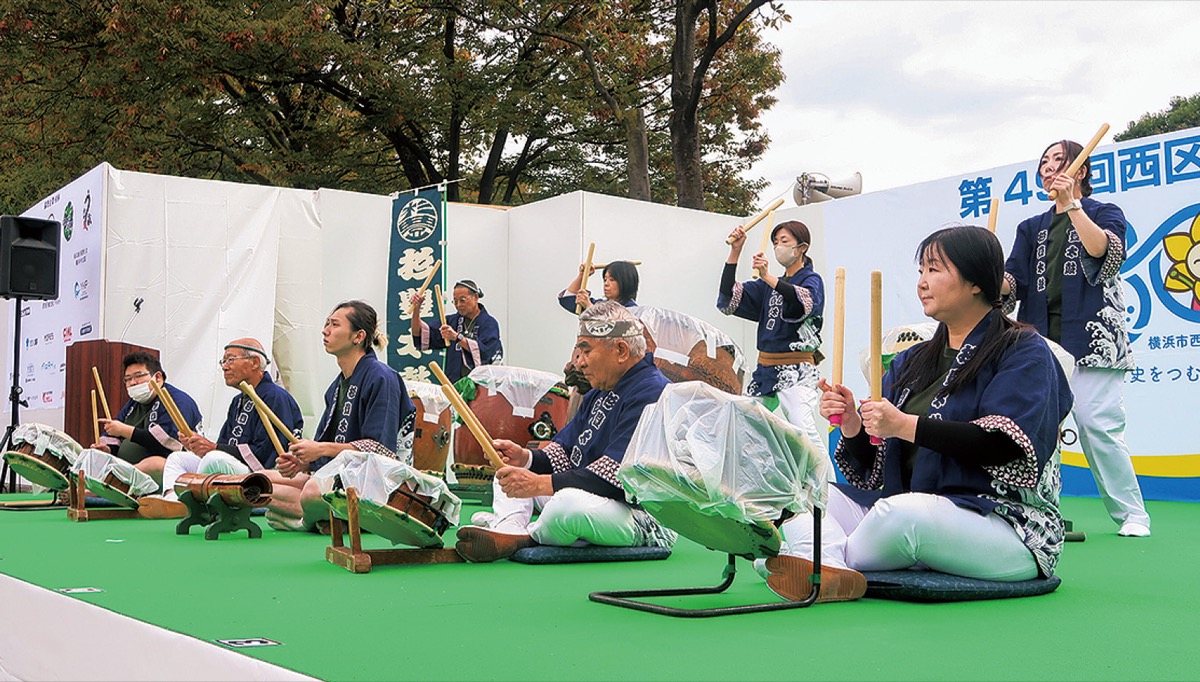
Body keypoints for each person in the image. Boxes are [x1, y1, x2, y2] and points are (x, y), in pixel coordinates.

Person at [764, 226, 1072, 603]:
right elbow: (874, 467)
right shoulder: (913, 361)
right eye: (921, 272)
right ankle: (826, 566)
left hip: (1005, 526)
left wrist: (904, 424)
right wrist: (853, 424)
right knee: (806, 497)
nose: (922, 283)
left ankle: (814, 559)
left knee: (901, 516)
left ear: (976, 281)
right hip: (910, 510)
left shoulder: (1023, 350)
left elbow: (1002, 445)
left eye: (935, 270)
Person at [1001, 138, 1151, 538]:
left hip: (1095, 339)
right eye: (1043, 163)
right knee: (1034, 428)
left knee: (1096, 424)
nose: (1048, 169)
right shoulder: (1030, 227)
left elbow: (1105, 253)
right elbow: (1012, 282)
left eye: (1058, 161)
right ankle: (1037, 514)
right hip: (1040, 343)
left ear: (1081, 170)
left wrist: (1073, 205)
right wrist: (992, 282)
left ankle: (1132, 514)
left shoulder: (1105, 212)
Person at [454, 301, 677, 562]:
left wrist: (540, 484)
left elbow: (618, 479)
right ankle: (509, 529)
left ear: (620, 350)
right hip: (595, 500)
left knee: (566, 506)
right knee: (508, 474)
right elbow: (565, 454)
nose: (579, 363)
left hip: (641, 516)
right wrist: (525, 459)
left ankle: (524, 535)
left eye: (586, 352)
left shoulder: (651, 391)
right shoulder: (599, 392)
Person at [265, 300, 415, 531]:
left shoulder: (381, 377)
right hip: (339, 478)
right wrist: (302, 462)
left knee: (312, 492)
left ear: (358, 336)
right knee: (260, 483)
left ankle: (309, 521)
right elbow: (324, 450)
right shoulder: (337, 386)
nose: (325, 330)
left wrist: (320, 449)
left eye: (334, 325)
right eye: (327, 324)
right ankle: (328, 519)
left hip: (378, 484)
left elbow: (381, 451)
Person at [137, 338, 304, 517]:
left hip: (260, 474)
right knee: (178, 458)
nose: (224, 367)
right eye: (223, 361)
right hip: (233, 467)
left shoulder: (275, 397)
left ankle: (192, 506)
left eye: (230, 360)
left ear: (254, 362)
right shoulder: (238, 400)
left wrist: (213, 449)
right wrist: (199, 448)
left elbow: (268, 453)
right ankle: (171, 499)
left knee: (214, 458)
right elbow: (223, 446)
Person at [719, 220, 829, 471]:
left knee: (803, 428)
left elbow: (803, 304)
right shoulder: (766, 286)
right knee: (742, 420)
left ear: (802, 247)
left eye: (785, 241)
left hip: (797, 370)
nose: (778, 247)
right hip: (766, 371)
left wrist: (767, 276)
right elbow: (729, 297)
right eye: (776, 242)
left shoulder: (812, 280)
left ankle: (829, 489)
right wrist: (735, 251)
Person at [91, 351, 202, 487]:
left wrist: (125, 430)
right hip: (130, 469)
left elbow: (168, 444)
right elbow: (113, 434)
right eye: (127, 379)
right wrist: (107, 449)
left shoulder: (178, 400)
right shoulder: (133, 404)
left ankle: (102, 489)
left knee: (153, 464)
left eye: (138, 376)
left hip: (170, 471)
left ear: (158, 377)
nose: (132, 383)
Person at [410, 279, 502, 382]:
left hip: (482, 386)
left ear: (475, 297)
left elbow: (486, 353)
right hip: (455, 386)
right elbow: (419, 334)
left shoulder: (489, 323)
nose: (458, 305)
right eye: (455, 301)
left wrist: (457, 337)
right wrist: (416, 309)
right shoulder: (452, 321)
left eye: (462, 300)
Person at [558, 259, 639, 313]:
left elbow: (610, 325)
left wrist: (589, 307)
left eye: (612, 280)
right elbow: (568, 298)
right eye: (605, 279)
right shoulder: (600, 305)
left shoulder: (632, 310)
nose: (606, 283)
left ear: (625, 281)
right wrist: (582, 275)